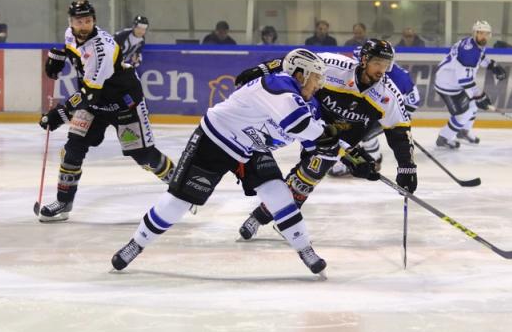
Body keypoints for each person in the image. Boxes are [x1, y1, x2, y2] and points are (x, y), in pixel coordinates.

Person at [110, 49, 340, 275]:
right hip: (215, 140)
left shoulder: (306, 103)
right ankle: (136, 244)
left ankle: (305, 249)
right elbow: (298, 125)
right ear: (300, 74)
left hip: (251, 147)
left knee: (278, 192)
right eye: (317, 77)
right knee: (179, 202)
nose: (320, 84)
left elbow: (313, 143)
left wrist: (348, 158)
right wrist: (324, 136)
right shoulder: (278, 84)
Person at [233, 39, 417, 241]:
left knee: (307, 178)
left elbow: (400, 132)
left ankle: (261, 217)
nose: (382, 70)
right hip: (310, 119)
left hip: (341, 138)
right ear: (364, 60)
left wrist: (407, 167)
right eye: (378, 64)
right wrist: (262, 70)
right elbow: (296, 61)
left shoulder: (387, 94)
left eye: (386, 65)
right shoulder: (335, 66)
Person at [37, 0, 176, 222]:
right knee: (73, 147)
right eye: (79, 21)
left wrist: (60, 114)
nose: (84, 25)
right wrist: (60, 59)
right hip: (95, 104)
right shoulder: (70, 34)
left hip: (124, 103)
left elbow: (88, 93)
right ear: (70, 22)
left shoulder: (102, 51)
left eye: (88, 21)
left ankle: (179, 186)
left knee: (143, 156)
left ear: (94, 21)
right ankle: (64, 201)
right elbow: (74, 54)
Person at [329, 44, 420, 177]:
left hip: (397, 109)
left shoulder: (398, 80)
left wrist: (398, 121)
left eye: (384, 63)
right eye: (377, 62)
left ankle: (373, 160)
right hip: (377, 105)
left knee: (363, 131)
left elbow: (413, 102)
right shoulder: (359, 68)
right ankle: (373, 157)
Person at [434, 20, 507, 149]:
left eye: (486, 34)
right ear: (475, 33)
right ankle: (444, 138)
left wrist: (493, 66)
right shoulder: (469, 52)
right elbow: (464, 80)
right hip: (448, 85)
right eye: (480, 33)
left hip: (454, 81)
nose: (483, 36)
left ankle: (463, 132)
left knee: (473, 107)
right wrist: (480, 96)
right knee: (463, 114)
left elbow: (481, 58)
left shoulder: (474, 45)